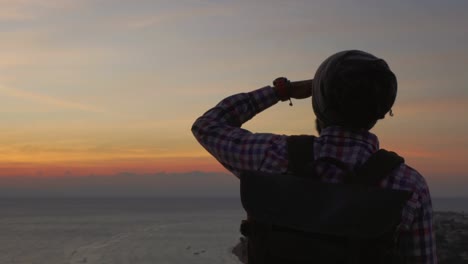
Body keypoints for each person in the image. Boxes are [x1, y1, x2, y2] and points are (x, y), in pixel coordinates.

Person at [191, 50, 436, 263]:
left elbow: (208, 126)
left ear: (319, 102)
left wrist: (281, 91)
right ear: (381, 110)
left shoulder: (273, 155)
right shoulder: (409, 185)